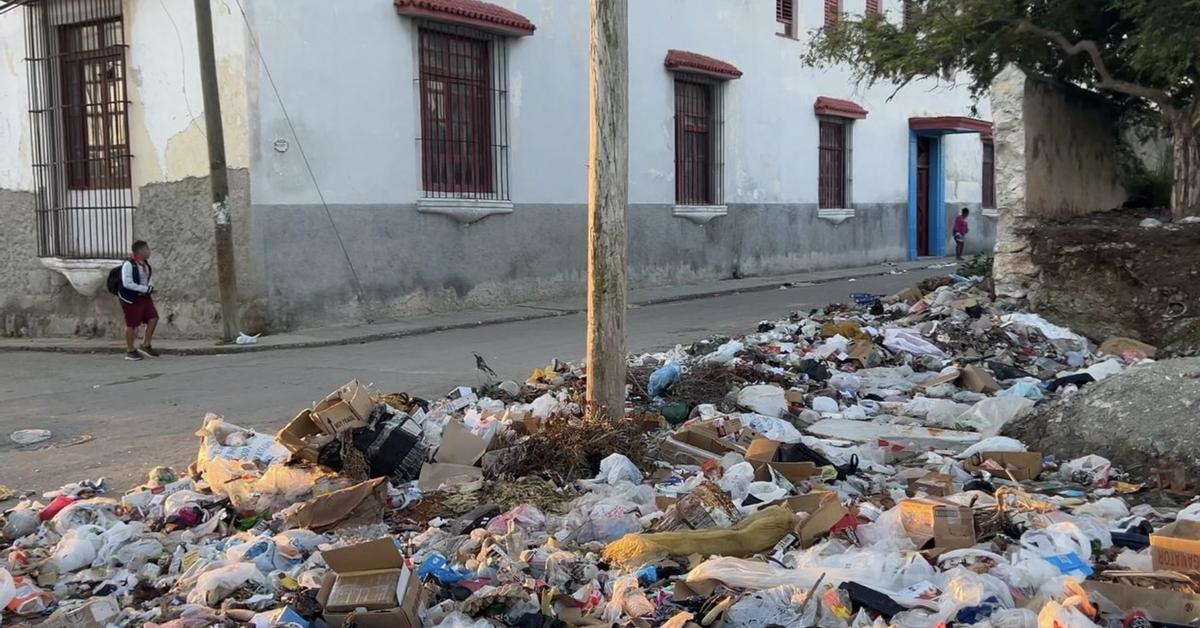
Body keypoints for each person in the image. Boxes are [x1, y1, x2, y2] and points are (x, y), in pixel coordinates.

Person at [118, 240, 159, 360]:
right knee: (132, 324)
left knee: (153, 318)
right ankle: (130, 350)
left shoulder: (145, 265)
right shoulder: (129, 265)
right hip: (131, 298)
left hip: (144, 297)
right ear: (140, 251)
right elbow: (127, 283)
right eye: (147, 249)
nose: (149, 251)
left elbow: (149, 277)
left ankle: (146, 345)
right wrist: (144, 288)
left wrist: (150, 287)